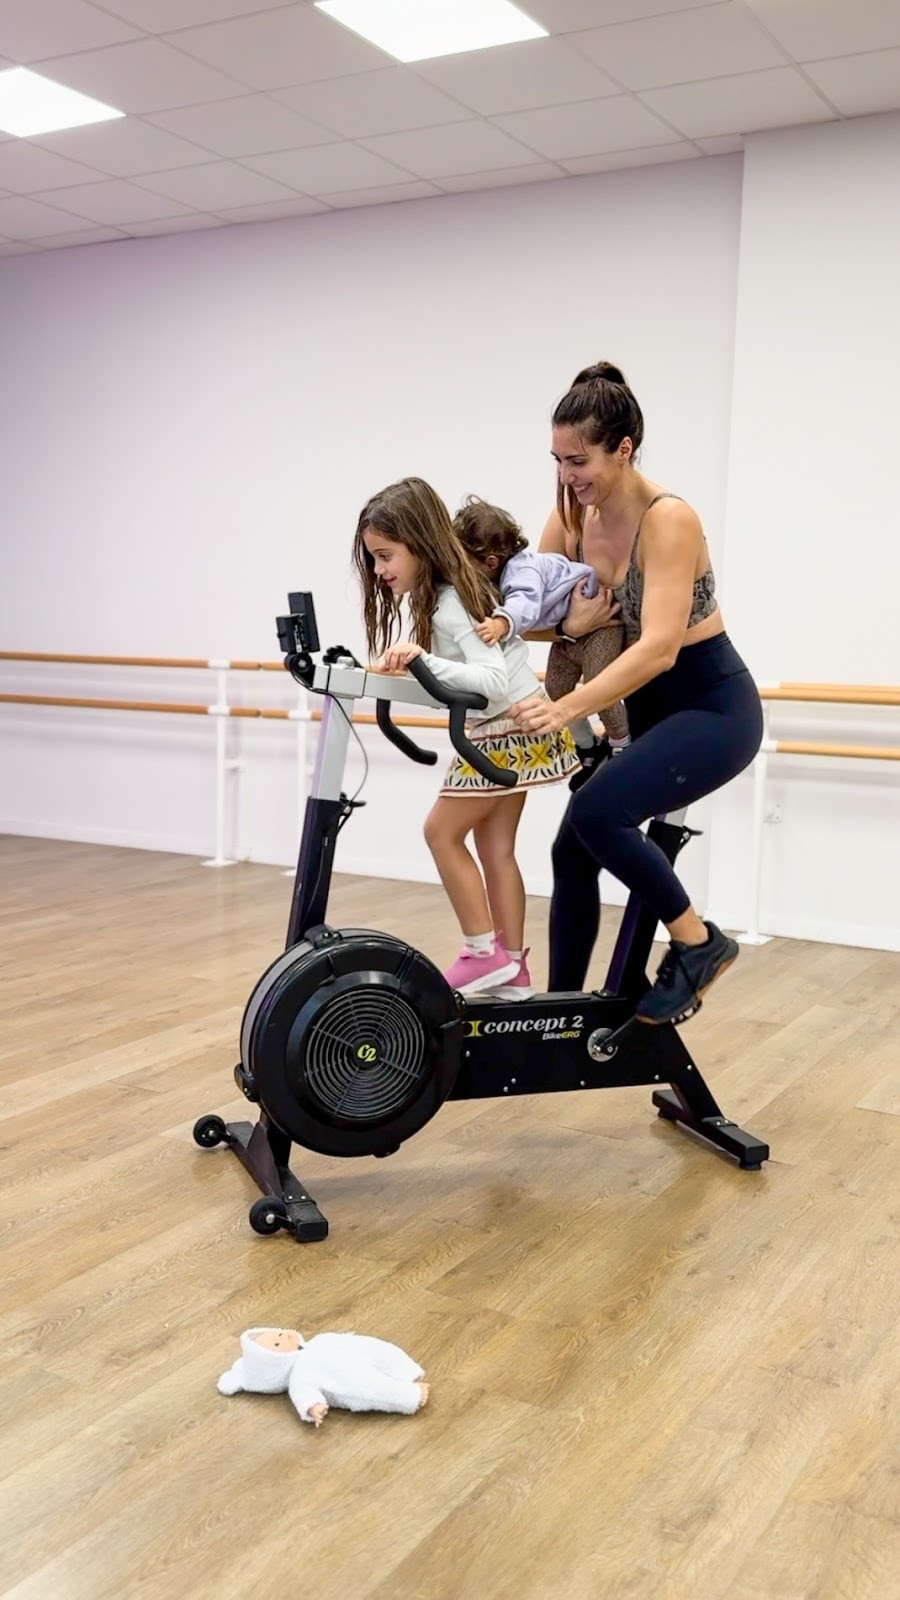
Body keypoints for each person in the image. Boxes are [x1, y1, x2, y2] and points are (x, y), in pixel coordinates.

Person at [512, 361, 763, 1024]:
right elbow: (533, 615)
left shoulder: (668, 519)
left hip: (711, 707)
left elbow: (660, 646)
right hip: (645, 714)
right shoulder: (570, 519)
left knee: (598, 817)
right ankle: (562, 1012)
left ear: (624, 449)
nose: (569, 476)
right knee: (572, 848)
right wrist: (570, 623)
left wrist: (567, 706)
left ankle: (699, 944)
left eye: (581, 459)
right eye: (560, 460)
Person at [353, 476, 578, 999]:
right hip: (521, 724)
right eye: (375, 561)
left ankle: (482, 953)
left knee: (440, 833)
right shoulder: (443, 596)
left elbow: (490, 681)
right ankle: (514, 970)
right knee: (495, 848)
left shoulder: (448, 601)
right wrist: (411, 670)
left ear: (419, 543)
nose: (381, 571)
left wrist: (422, 659)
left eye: (386, 556)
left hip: (505, 728)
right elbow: (459, 681)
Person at [452, 495, 630, 790]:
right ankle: (588, 747)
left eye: (463, 563)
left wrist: (501, 622)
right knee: (555, 688)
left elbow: (525, 605)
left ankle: (621, 744)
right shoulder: (496, 576)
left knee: (601, 685)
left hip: (602, 628)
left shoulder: (524, 571)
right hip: (571, 633)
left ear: (490, 562)